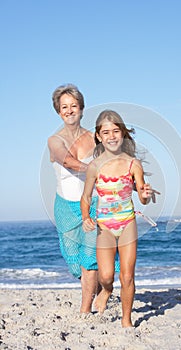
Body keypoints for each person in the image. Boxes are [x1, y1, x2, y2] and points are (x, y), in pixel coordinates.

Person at [81, 110, 158, 327]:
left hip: (127, 223)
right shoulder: (94, 166)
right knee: (106, 276)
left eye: (116, 131)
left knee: (127, 276)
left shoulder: (133, 164)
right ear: (99, 136)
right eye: (106, 132)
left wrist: (144, 195)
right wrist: (86, 216)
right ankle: (107, 290)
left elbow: (142, 196)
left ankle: (127, 320)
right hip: (104, 226)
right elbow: (86, 196)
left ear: (123, 133)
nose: (112, 136)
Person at [48, 83, 100, 314]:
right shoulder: (54, 140)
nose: (69, 110)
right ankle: (99, 289)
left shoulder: (95, 138)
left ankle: (85, 309)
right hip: (65, 207)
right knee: (75, 261)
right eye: (64, 107)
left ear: (81, 108)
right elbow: (67, 161)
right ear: (59, 111)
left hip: (93, 202)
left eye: (74, 106)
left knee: (90, 257)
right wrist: (94, 169)